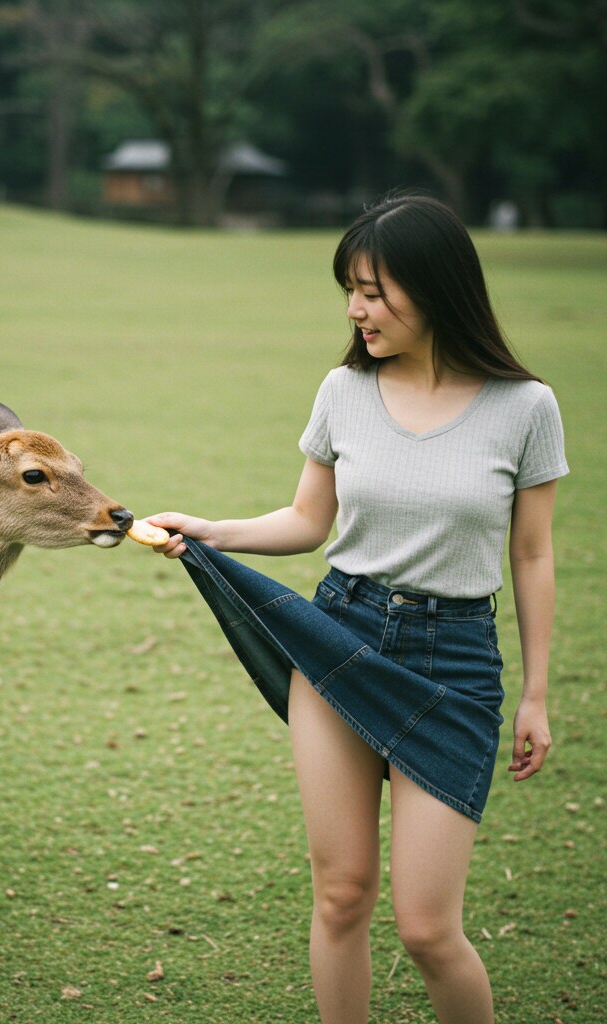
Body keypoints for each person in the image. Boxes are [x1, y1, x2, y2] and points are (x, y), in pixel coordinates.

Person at [148, 193, 568, 1024]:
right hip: (339, 635)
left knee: (427, 928)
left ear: (436, 286)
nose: (355, 308)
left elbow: (531, 554)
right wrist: (209, 529)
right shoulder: (344, 390)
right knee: (341, 895)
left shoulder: (526, 408)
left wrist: (536, 693)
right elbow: (309, 521)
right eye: (351, 288)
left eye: (374, 290)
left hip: (456, 663)